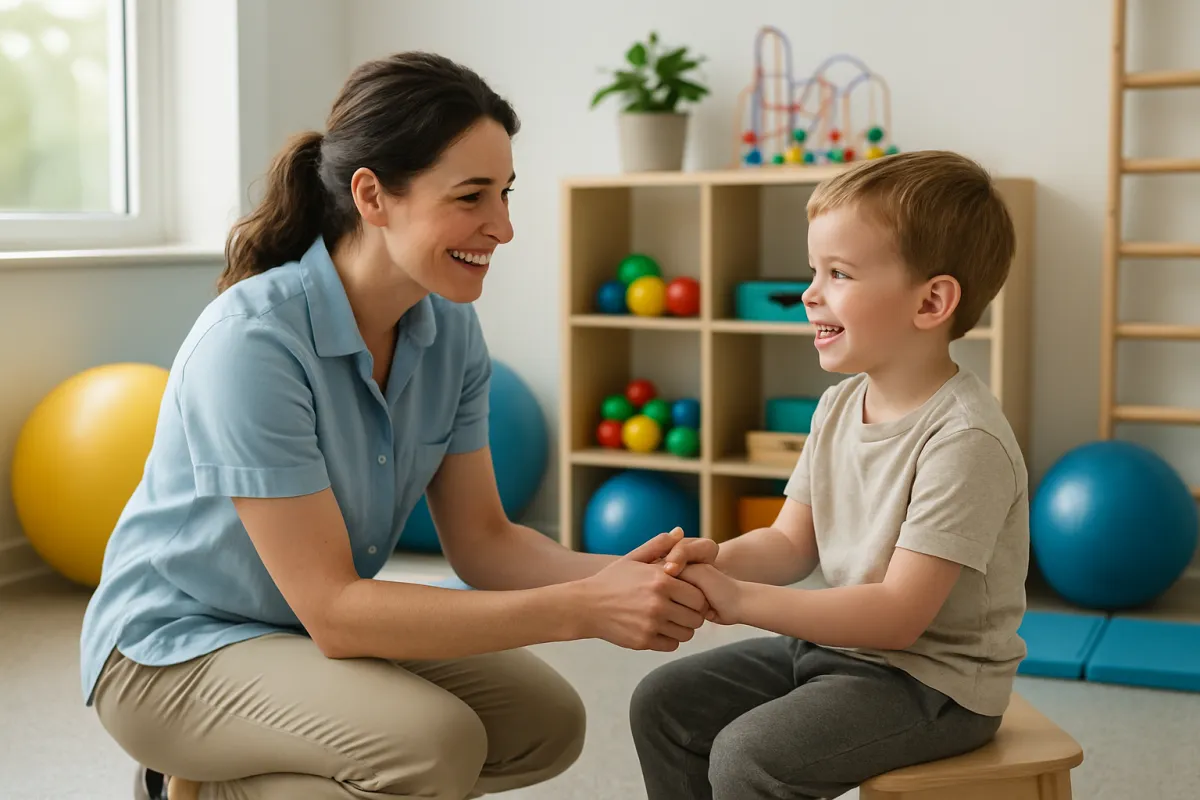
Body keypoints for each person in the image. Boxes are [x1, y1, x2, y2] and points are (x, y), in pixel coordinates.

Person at [79, 51, 711, 800]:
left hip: (296, 629)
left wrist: (621, 576)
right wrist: (583, 609)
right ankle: (185, 787)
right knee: (430, 745)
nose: (504, 228)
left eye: (505, 193)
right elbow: (336, 612)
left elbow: (485, 541)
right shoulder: (252, 343)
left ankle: (255, 762)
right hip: (172, 651)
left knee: (545, 723)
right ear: (372, 196)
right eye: (472, 196)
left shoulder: (451, 332)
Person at [631, 150, 1030, 800]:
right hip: (838, 651)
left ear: (932, 301)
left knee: (748, 756)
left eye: (839, 273)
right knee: (664, 703)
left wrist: (740, 601)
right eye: (813, 270)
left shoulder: (965, 441)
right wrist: (713, 561)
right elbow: (790, 544)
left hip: (933, 684)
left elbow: (897, 617)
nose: (809, 293)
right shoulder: (839, 405)